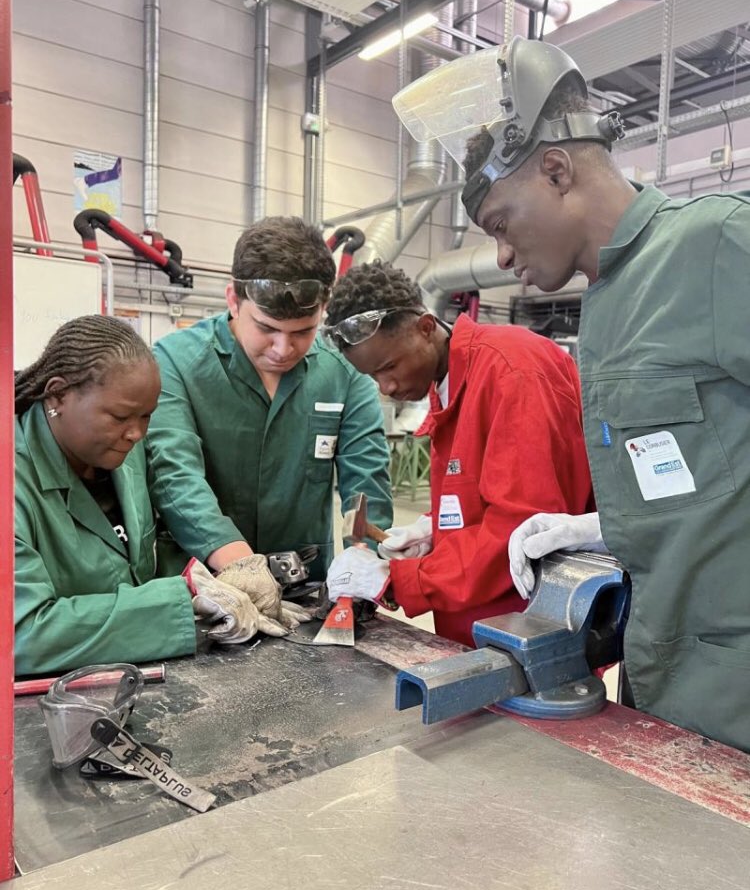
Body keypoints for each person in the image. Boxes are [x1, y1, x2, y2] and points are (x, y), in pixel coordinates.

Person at [394, 35, 750, 751]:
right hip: (664, 686)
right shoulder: (610, 304)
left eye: (500, 224)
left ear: (556, 170)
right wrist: (605, 528)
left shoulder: (716, 245)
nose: (497, 256)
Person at [322, 260, 593, 646]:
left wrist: (397, 579)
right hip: (477, 630)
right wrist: (433, 530)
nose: (387, 386)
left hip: (528, 633)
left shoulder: (512, 371)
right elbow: (474, 496)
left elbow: (522, 533)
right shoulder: (445, 382)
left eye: (389, 366)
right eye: (372, 377)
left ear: (426, 328)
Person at [15, 315, 288, 677]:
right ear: (58, 394)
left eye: (147, 417)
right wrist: (182, 601)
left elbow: (136, 558)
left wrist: (220, 584)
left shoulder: (122, 457)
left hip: (130, 678)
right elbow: (23, 635)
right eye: (121, 416)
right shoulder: (13, 483)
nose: (137, 434)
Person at [145, 216, 393, 600]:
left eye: (302, 332)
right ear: (233, 299)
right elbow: (175, 475)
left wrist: (364, 557)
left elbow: (365, 482)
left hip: (305, 590)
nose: (283, 349)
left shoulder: (346, 373)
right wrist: (240, 565)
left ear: (323, 309)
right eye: (266, 328)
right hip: (206, 589)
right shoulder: (174, 362)